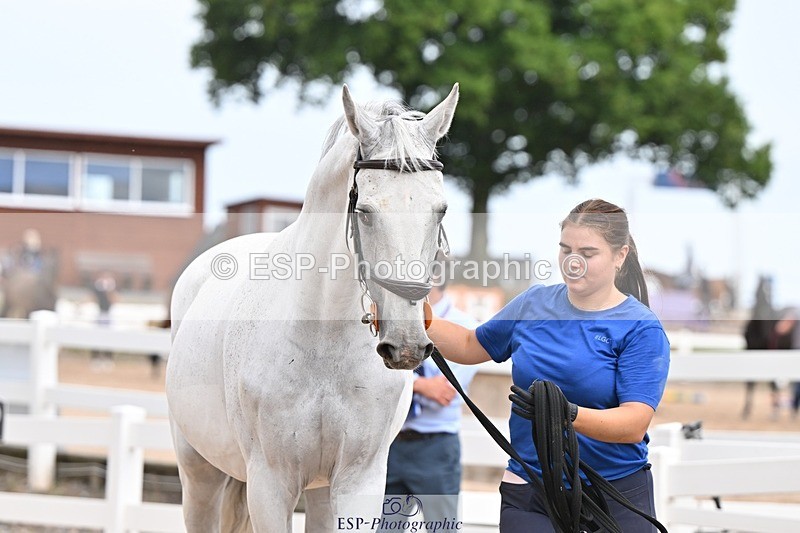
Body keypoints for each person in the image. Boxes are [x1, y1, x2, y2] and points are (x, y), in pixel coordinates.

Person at [427, 199, 670, 532]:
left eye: (587, 253)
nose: (572, 262)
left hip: (613, 492)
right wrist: (416, 319)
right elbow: (471, 345)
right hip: (532, 491)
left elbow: (633, 423)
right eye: (565, 249)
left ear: (620, 255)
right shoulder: (533, 303)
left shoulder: (640, 328)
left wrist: (566, 414)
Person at [382, 283, 479, 530]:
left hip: (435, 449)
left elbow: (446, 392)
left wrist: (404, 381)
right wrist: (423, 386)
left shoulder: (466, 328)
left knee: (442, 528)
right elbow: (377, 379)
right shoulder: (389, 323)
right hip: (388, 444)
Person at [741, 276, 782, 420]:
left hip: (768, 353)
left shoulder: (769, 311)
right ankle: (748, 405)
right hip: (755, 350)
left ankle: (775, 406)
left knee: (773, 380)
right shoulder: (757, 313)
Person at [90, 271, 117, 369]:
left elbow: (114, 300)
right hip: (100, 313)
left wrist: (109, 291)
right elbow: (93, 298)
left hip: (108, 314)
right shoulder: (97, 288)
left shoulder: (112, 288)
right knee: (96, 336)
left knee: (109, 337)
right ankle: (96, 358)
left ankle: (108, 358)